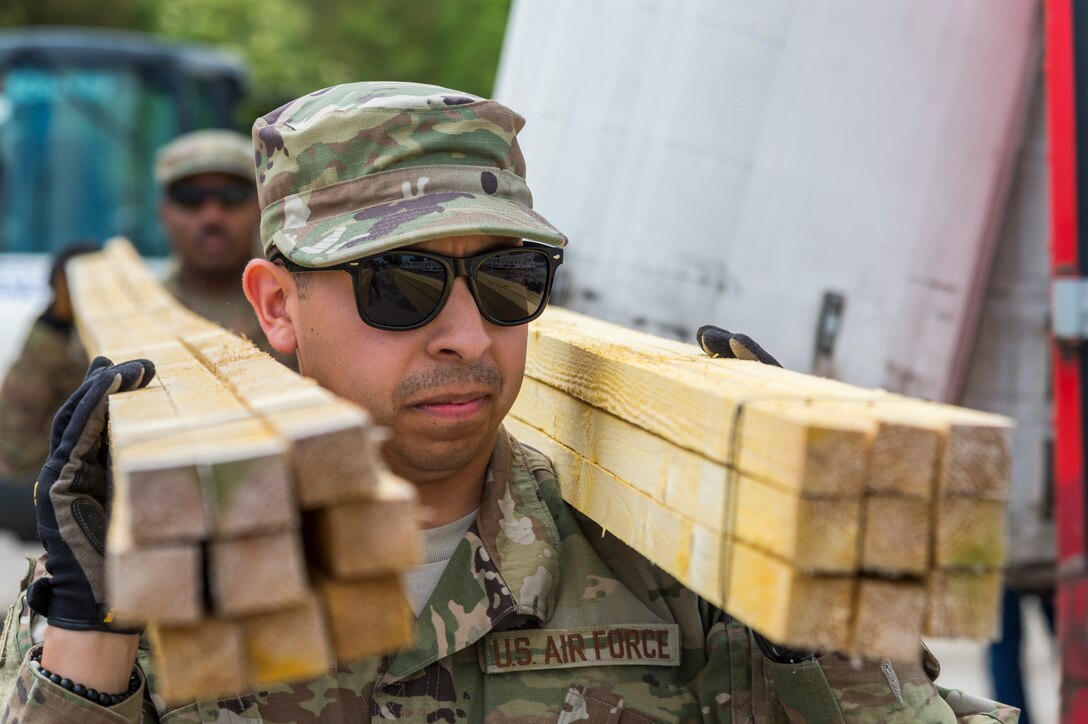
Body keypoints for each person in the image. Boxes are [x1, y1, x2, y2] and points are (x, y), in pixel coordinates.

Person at [0, 82, 1018, 722]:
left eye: (507, 278)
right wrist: (89, 650)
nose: (465, 333)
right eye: (396, 282)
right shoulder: (163, 552)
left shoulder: (667, 556)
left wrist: (817, 612)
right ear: (276, 305)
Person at [0, 129, 295, 538]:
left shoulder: (298, 310)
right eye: (189, 199)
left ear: (260, 206)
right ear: (163, 211)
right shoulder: (119, 317)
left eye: (230, 197)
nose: (210, 216)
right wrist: (57, 320)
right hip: (149, 548)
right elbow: (15, 452)